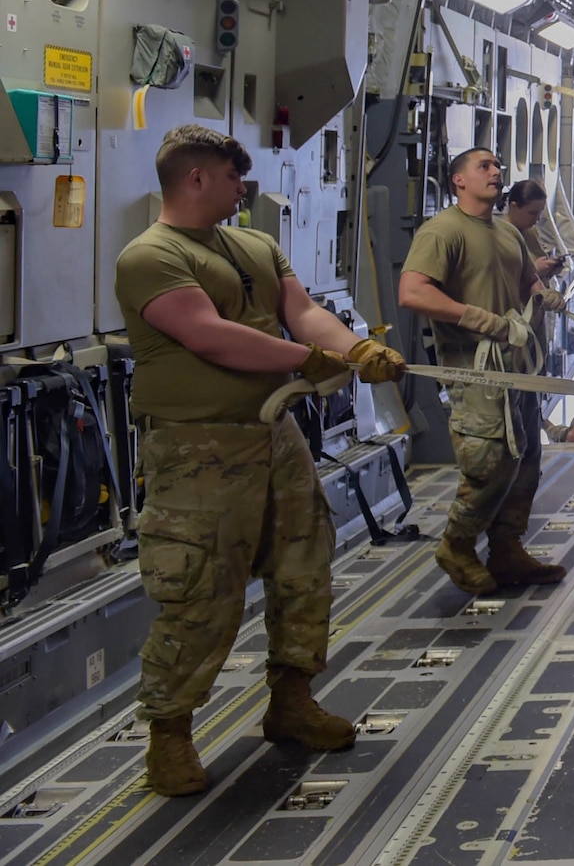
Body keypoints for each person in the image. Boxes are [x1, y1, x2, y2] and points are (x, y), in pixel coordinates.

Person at [114, 126, 407, 797]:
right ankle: (169, 734)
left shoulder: (254, 245)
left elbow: (301, 313)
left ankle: (292, 698)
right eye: (229, 176)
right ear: (193, 178)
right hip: (198, 447)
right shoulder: (149, 256)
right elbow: (208, 335)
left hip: (274, 434)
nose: (240, 188)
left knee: (305, 562)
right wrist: (309, 360)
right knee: (201, 587)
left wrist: (356, 349)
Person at [399, 148, 567, 594]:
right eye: (484, 166)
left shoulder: (508, 234)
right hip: (476, 369)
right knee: (490, 461)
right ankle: (457, 543)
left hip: (516, 369)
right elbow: (413, 292)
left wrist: (542, 293)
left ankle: (507, 548)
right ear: (458, 181)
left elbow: (525, 280)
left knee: (526, 456)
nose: (496, 172)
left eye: (497, 165)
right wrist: (480, 319)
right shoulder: (442, 232)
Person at [503, 179, 565, 282]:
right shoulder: (501, 237)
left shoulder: (530, 232)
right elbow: (503, 282)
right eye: (532, 213)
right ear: (513, 207)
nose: (538, 219)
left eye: (540, 213)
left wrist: (549, 270)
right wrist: (534, 271)